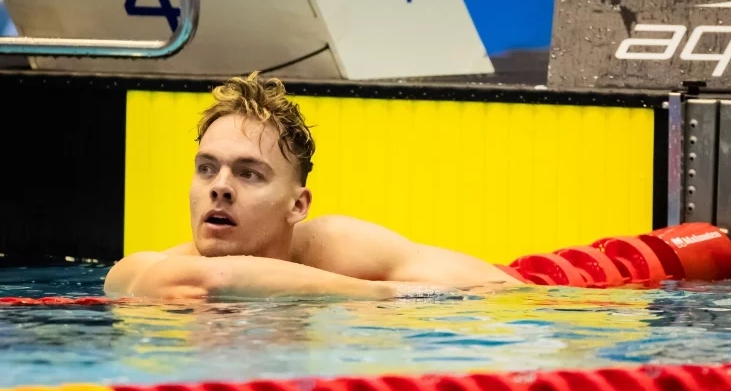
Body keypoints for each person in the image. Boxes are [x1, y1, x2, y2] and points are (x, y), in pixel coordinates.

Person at [104, 72, 520, 301]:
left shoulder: (337, 246)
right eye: (207, 169)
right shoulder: (140, 269)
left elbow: (503, 289)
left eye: (249, 173)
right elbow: (212, 281)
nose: (221, 187)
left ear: (298, 205)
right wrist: (380, 296)